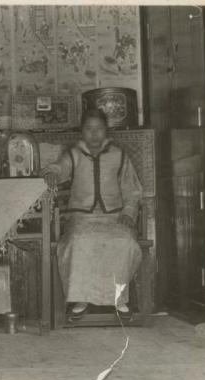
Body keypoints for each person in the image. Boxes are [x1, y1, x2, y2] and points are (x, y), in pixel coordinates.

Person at [42, 109, 143, 321]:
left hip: (115, 218)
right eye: (89, 129)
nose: (94, 134)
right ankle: (81, 299)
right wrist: (52, 173)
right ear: (82, 131)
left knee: (124, 242)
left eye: (99, 129)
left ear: (106, 130)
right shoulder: (74, 154)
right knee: (79, 242)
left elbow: (132, 189)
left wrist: (129, 212)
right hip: (82, 219)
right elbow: (59, 168)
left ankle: (120, 298)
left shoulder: (118, 155)